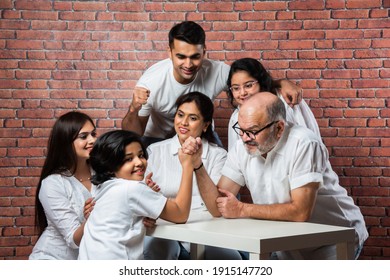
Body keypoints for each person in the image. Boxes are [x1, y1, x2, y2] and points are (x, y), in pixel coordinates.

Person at [187, 92, 368, 260]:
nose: (243, 138)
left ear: (279, 128)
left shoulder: (304, 143)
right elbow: (219, 206)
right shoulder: (242, 147)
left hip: (333, 240)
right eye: (240, 130)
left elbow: (300, 212)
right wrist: (198, 165)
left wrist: (242, 209)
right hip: (286, 244)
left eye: (252, 131)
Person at [121, 21, 301, 146]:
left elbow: (249, 83)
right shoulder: (151, 82)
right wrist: (133, 108)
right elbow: (133, 133)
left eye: (195, 57)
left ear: (204, 52)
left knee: (224, 170)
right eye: (181, 57)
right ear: (169, 53)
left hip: (201, 133)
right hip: (157, 138)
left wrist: (280, 83)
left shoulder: (217, 71)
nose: (188, 64)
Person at [143, 92, 242, 260]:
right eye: (180, 115)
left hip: (207, 228)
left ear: (205, 125)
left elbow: (217, 209)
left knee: (233, 260)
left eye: (193, 118)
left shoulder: (218, 155)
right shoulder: (155, 151)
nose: (184, 123)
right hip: (164, 227)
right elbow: (146, 196)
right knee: (156, 250)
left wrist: (197, 165)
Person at [78, 130, 194, 260]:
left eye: (141, 155)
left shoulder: (101, 187)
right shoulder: (132, 189)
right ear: (109, 165)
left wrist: (147, 201)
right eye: (128, 159)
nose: (139, 162)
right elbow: (180, 214)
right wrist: (188, 165)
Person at [29, 111, 97, 260]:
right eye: (84, 136)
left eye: (93, 134)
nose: (92, 140)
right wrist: (93, 218)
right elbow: (73, 240)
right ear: (65, 141)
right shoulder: (53, 184)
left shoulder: (103, 174)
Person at [226, 57, 321, 151]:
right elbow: (235, 154)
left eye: (249, 85)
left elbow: (311, 137)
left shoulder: (286, 100)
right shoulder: (236, 118)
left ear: (261, 82)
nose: (242, 93)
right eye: (236, 88)